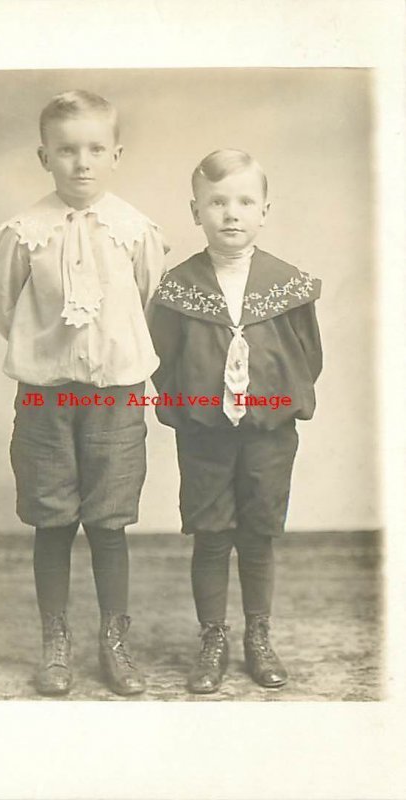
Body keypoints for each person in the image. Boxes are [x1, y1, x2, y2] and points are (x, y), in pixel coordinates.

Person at [0, 90, 167, 697]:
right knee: (53, 520)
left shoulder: (135, 230)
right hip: (45, 399)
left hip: (116, 395)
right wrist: (46, 352)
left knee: (109, 522)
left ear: (116, 154)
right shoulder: (23, 232)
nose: (81, 163)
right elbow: (2, 305)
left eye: (95, 149)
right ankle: (54, 642)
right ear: (44, 157)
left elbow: (147, 302)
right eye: (67, 151)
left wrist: (110, 353)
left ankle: (114, 643)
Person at [149, 149, 322, 694]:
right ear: (196, 210)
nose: (231, 214)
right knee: (211, 533)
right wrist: (194, 407)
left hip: (269, 431)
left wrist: (271, 401)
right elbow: (163, 358)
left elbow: (307, 355)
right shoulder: (178, 287)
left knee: (258, 532)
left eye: (245, 201)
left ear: (264, 210)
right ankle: (213, 637)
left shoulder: (287, 284)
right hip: (204, 431)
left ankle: (259, 635)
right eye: (217, 202)